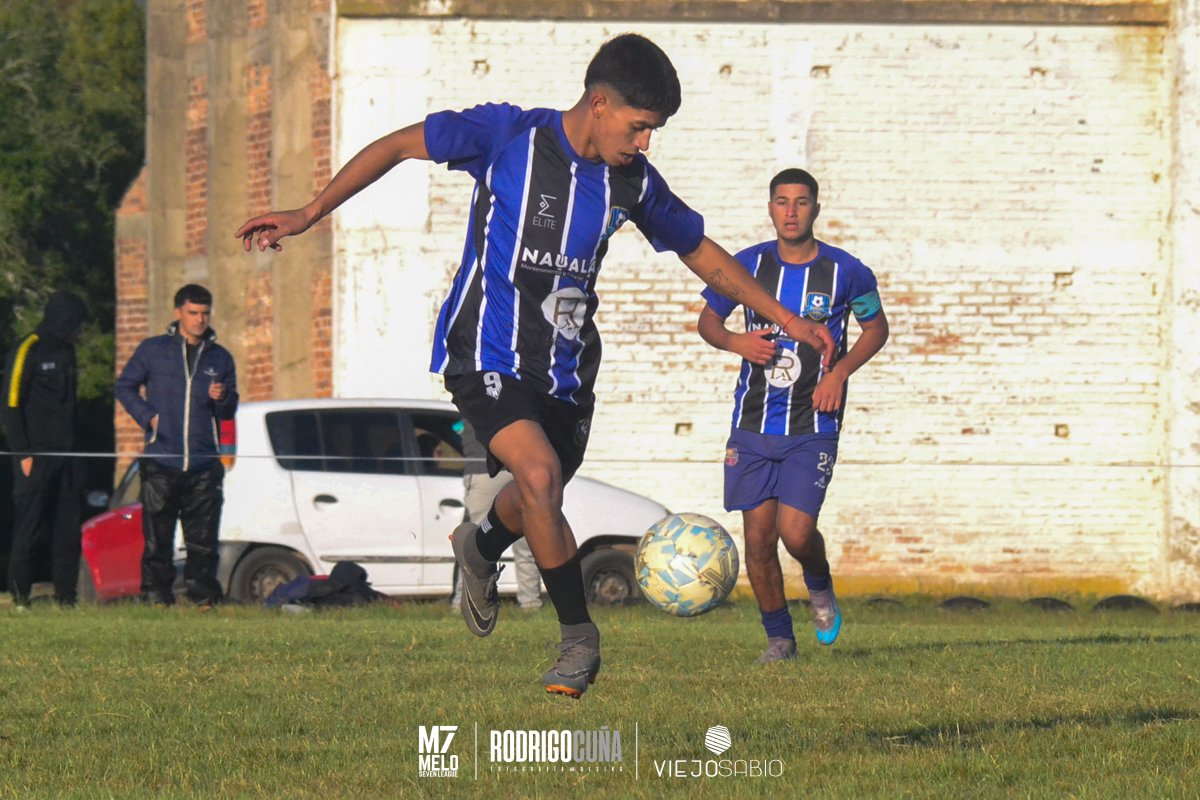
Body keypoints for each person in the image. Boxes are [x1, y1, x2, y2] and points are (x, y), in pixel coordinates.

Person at [235, 34, 835, 697]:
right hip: (484, 355)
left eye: (653, 131)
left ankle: (479, 546)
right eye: (639, 127)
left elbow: (701, 252)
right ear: (599, 104)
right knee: (541, 475)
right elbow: (398, 145)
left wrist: (788, 320)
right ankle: (579, 639)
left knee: (534, 496)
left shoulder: (631, 180)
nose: (644, 143)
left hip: (567, 373)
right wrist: (309, 212)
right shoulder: (506, 135)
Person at [697, 168, 889, 663]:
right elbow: (709, 321)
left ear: (816, 209)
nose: (790, 211)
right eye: (781, 201)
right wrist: (736, 341)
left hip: (813, 424)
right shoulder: (747, 265)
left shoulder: (847, 271)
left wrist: (839, 373)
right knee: (759, 541)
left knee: (796, 533)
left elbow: (876, 329)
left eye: (801, 202)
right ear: (770, 208)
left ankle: (818, 581)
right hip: (753, 424)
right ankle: (780, 640)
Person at [115, 284, 238, 606]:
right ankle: (157, 597)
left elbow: (228, 411)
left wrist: (223, 396)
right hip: (161, 460)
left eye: (205, 313)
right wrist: (148, 417)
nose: (200, 319)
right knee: (157, 539)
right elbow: (125, 386)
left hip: (203, 463)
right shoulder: (153, 350)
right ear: (178, 312)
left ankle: (203, 598)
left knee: (203, 541)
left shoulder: (221, 357)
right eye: (193, 313)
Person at [1, 291, 89, 609]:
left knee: (67, 530)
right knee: (30, 527)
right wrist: (22, 452)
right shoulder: (28, 348)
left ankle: (66, 598)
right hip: (34, 456)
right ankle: (20, 597)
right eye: (77, 324)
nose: (79, 331)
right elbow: (10, 404)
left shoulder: (68, 351)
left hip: (68, 456)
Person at [450, 419, 543, 610]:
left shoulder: (472, 403)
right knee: (525, 542)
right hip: (521, 468)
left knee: (474, 544)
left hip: (483, 471)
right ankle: (530, 603)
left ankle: (463, 603)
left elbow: (457, 427)